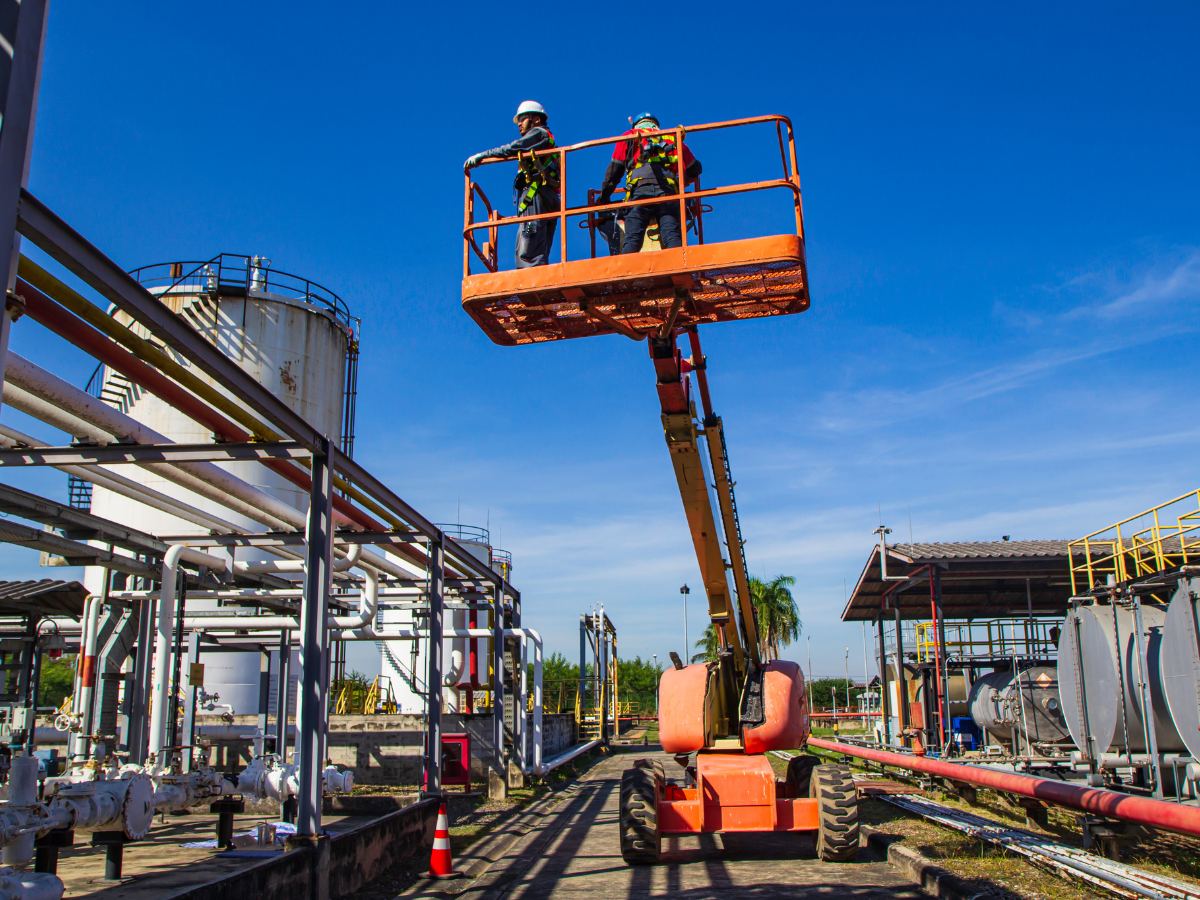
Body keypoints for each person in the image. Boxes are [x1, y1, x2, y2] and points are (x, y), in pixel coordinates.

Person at [464, 101, 560, 268]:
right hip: (546, 196)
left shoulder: (538, 133)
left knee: (529, 251)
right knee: (539, 247)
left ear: (536, 119)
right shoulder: (544, 138)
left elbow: (515, 147)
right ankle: (535, 279)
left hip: (536, 195)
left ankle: (528, 284)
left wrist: (483, 156)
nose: (519, 125)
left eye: (522, 119)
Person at [596, 112, 701, 255]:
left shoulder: (630, 135)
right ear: (656, 124)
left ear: (637, 124)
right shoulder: (672, 137)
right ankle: (680, 270)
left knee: (632, 239)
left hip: (640, 192)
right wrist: (685, 178)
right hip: (667, 193)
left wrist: (603, 198)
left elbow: (614, 172)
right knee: (672, 236)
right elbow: (695, 168)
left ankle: (627, 273)